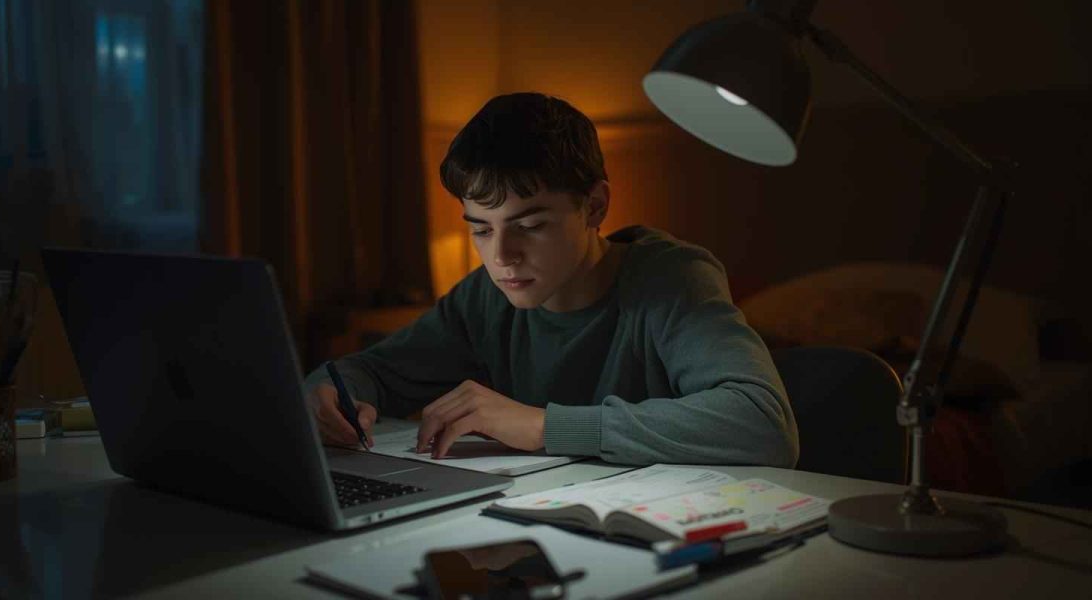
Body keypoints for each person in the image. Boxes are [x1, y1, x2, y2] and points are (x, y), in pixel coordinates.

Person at [305, 92, 798, 467]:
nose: (502, 256)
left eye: (530, 225)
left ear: (596, 207)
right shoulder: (485, 296)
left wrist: (543, 426)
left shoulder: (672, 280)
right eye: (480, 228)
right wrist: (327, 394)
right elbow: (369, 372)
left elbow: (763, 423)